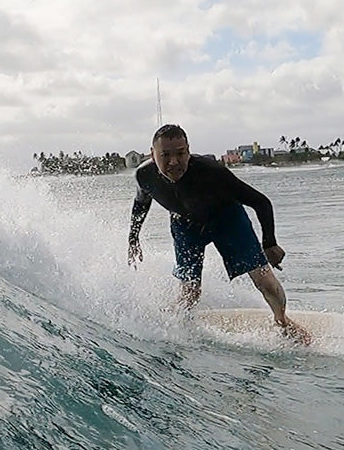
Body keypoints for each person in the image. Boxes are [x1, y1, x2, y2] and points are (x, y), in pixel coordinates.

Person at [127, 124, 310, 344]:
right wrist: (133, 238)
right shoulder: (144, 176)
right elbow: (141, 204)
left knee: (265, 280)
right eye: (165, 155)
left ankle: (282, 321)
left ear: (189, 150)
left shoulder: (211, 171)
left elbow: (261, 202)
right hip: (185, 225)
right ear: (152, 153)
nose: (174, 162)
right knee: (190, 291)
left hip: (227, 218)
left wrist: (270, 243)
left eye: (180, 153)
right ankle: (176, 325)